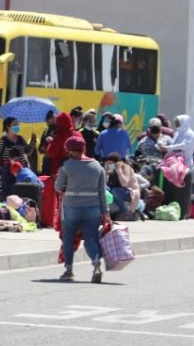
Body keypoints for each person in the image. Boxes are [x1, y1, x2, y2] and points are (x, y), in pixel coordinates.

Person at [54, 137, 110, 283]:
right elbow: (102, 193)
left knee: (68, 239)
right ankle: (96, 264)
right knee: (91, 239)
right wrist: (106, 213)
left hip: (71, 208)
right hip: (93, 208)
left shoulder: (67, 166)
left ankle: (68, 270)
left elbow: (58, 187)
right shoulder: (97, 166)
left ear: (71, 150)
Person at [104, 153, 141, 220]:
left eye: (111, 163)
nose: (110, 165)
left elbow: (124, 183)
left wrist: (119, 171)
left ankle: (126, 212)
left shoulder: (126, 167)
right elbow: (106, 184)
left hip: (130, 192)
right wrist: (106, 173)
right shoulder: (111, 170)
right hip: (117, 193)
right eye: (108, 163)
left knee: (115, 191)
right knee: (105, 190)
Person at [44, 111, 77, 175]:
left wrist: (51, 142)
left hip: (59, 170)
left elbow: (52, 153)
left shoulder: (58, 136)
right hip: (76, 168)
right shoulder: (77, 134)